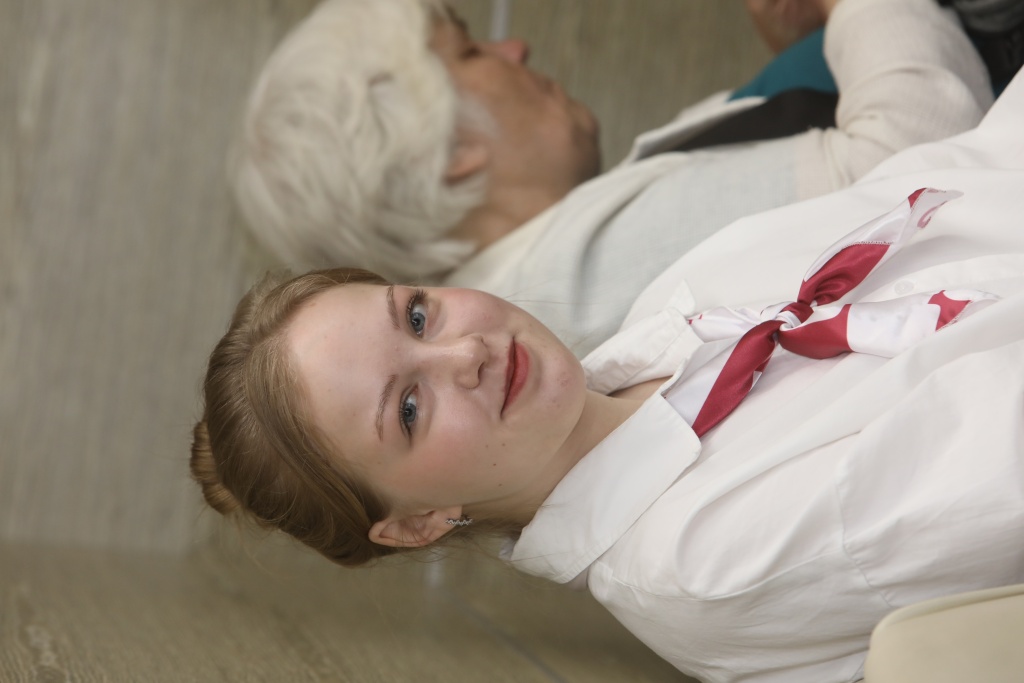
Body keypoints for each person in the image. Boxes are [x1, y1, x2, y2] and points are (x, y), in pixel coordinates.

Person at [193, 70, 1024, 682]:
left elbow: (976, 167)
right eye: (409, 408)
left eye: (416, 316)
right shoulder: (699, 562)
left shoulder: (674, 304)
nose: (464, 353)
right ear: (416, 523)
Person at [231, 0, 994, 356]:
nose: (515, 49)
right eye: (469, 52)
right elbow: (920, 154)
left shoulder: (549, 262)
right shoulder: (578, 275)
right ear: (451, 148)